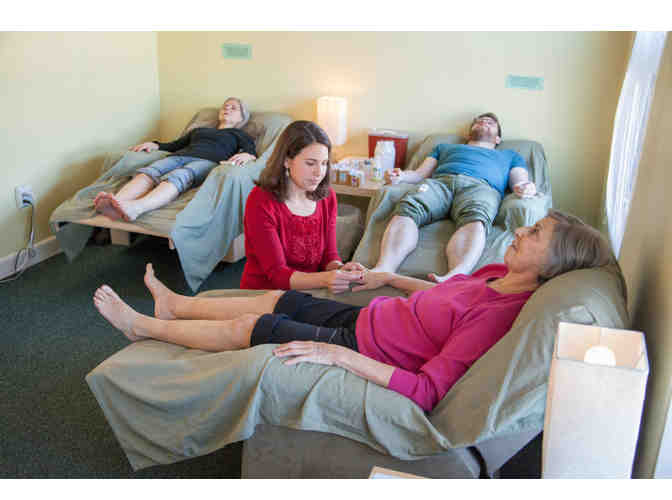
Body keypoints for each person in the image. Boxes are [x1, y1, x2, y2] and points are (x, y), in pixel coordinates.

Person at [93, 210, 614, 412]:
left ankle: (143, 327)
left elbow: (427, 389)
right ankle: (176, 304)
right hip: (371, 318)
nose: (520, 231)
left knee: (252, 325)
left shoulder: (498, 317)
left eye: (534, 233)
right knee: (275, 298)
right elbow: (442, 293)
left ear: (554, 261)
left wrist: (338, 357)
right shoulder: (497, 273)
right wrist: (389, 277)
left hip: (362, 347)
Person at [372, 112, 537, 283]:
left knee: (476, 218)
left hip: (481, 187)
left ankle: (454, 277)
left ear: (497, 139)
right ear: (469, 134)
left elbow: (521, 181)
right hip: (440, 183)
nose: (484, 122)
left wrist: (525, 187)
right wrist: (400, 176)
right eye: (479, 121)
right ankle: (384, 268)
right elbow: (419, 174)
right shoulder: (444, 147)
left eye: (490, 123)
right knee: (407, 209)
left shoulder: (510, 155)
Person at [240, 120, 365, 293]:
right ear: (287, 161)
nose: (319, 173)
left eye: (324, 163)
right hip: (264, 294)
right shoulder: (261, 200)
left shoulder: (327, 197)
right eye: (310, 163)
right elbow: (278, 274)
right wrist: (327, 278)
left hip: (310, 290)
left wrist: (340, 269)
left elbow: (329, 256)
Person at [94, 97, 257, 222]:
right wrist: (155, 144)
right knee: (149, 172)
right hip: (179, 156)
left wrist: (247, 155)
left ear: (241, 118)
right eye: (225, 106)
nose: (227, 109)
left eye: (233, 108)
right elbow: (174, 145)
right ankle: (116, 203)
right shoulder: (200, 130)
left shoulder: (239, 134)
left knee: (179, 175)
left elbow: (251, 151)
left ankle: (137, 208)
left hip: (207, 162)